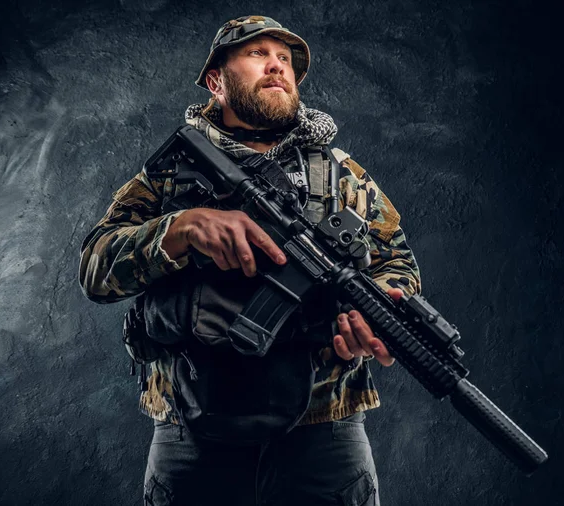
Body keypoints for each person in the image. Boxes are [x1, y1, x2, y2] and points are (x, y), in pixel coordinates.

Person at [79, 15, 421, 506]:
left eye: (285, 60)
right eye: (258, 55)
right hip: (190, 427)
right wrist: (180, 229)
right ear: (216, 81)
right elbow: (94, 268)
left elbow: (397, 264)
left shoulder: (339, 172)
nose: (277, 67)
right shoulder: (171, 175)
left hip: (324, 427)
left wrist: (380, 309)